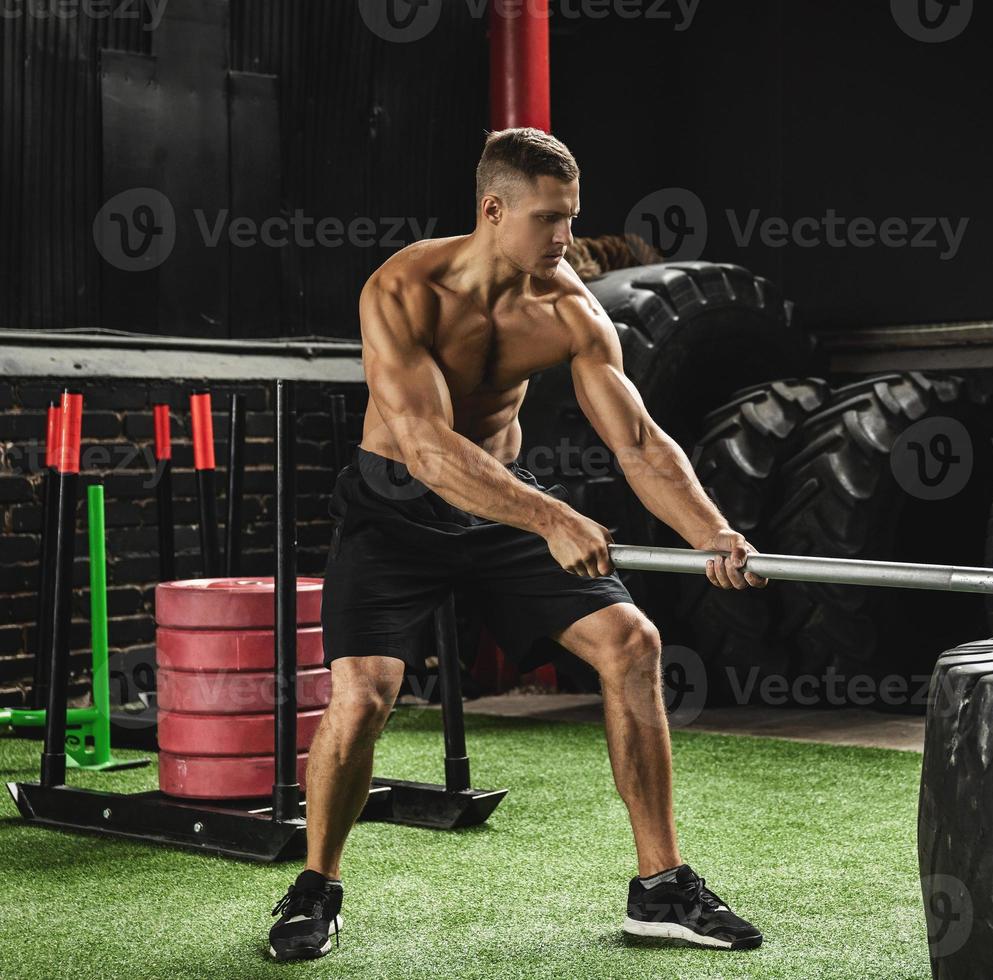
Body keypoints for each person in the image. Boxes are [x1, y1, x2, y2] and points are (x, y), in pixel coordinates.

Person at [267, 128, 768, 961]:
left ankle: (660, 886)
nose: (565, 238)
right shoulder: (404, 288)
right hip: (394, 509)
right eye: (548, 219)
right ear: (493, 210)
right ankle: (315, 887)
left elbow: (638, 443)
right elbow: (425, 447)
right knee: (363, 695)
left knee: (631, 641)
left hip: (498, 508)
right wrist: (548, 517)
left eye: (571, 218)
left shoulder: (570, 310)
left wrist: (710, 530)